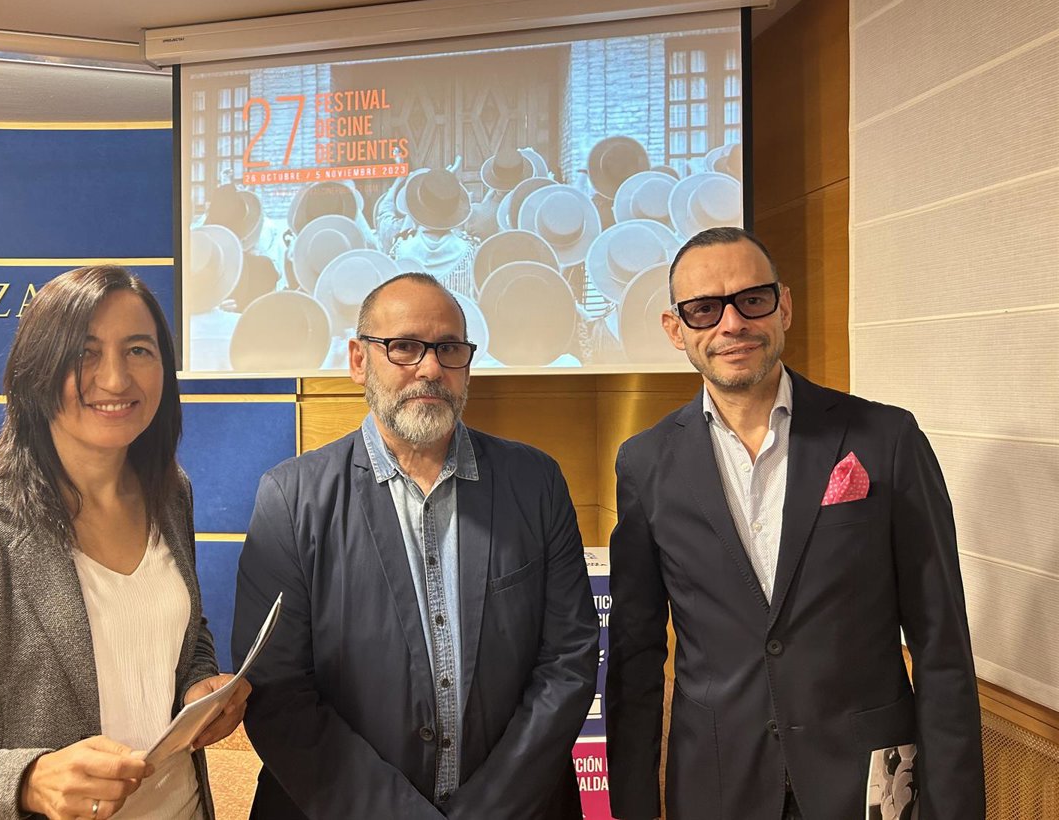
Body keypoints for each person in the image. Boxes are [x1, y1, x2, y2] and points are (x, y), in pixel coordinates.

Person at [605, 228, 984, 820]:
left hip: (868, 780)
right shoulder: (645, 462)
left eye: (751, 299)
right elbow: (636, 656)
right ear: (676, 329)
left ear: (783, 306)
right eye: (704, 309)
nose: (732, 323)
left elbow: (941, 642)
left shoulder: (885, 439)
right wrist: (631, 807)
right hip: (717, 786)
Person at [0, 265, 249, 820]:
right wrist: (28, 780)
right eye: (84, 353)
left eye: (138, 350)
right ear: (36, 370)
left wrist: (196, 688)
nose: (115, 379)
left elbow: (184, 632)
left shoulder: (168, 492)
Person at [233, 272, 599, 820]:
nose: (430, 368)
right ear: (359, 360)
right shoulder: (291, 498)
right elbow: (277, 690)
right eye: (404, 346)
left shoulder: (535, 482)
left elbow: (568, 661)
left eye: (448, 348)